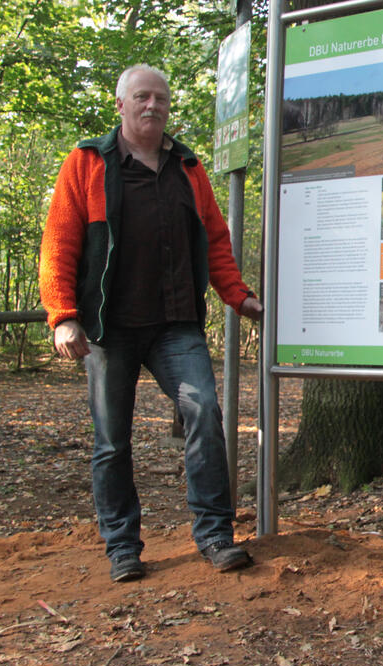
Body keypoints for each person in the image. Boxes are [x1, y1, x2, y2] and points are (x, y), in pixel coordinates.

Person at [40, 64, 263, 582]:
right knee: (112, 440)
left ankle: (214, 535)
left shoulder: (187, 166)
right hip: (108, 329)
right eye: (141, 97)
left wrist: (238, 296)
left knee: (204, 411)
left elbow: (215, 240)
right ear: (120, 105)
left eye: (160, 98)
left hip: (174, 325)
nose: (152, 106)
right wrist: (63, 317)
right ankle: (122, 547)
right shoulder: (87, 163)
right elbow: (59, 243)